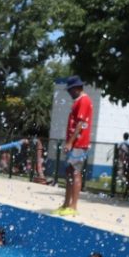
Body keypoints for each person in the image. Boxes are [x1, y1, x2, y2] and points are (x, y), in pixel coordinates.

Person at [55, 76, 91, 217]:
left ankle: (73, 206)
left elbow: (80, 124)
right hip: (74, 143)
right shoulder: (78, 101)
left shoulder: (84, 100)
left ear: (76, 88)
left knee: (75, 172)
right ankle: (66, 204)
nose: (69, 93)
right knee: (69, 172)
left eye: (70, 90)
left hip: (79, 144)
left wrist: (70, 142)